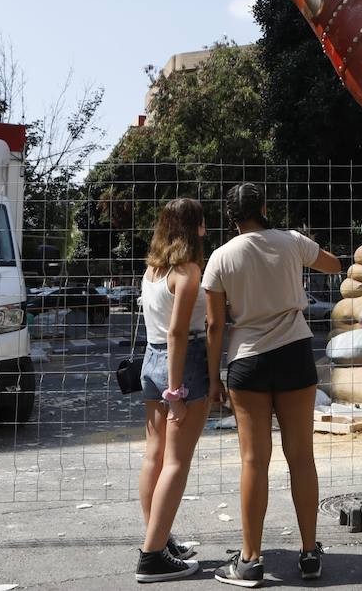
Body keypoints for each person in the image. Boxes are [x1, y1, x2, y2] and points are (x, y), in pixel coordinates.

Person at [204, 183, 342, 587]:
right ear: (264, 207)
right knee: (301, 457)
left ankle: (249, 560)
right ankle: (309, 552)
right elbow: (333, 265)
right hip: (295, 353)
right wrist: (300, 254)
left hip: (247, 361)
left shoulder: (221, 257)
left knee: (253, 460)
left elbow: (215, 325)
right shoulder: (291, 241)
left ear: (231, 217)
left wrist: (214, 378)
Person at [135, 197, 216, 582]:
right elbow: (179, 333)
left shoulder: (152, 271)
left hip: (152, 360)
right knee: (176, 462)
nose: (206, 228)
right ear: (193, 227)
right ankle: (152, 556)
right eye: (201, 222)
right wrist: (177, 390)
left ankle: (158, 537)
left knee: (154, 457)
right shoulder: (187, 272)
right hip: (181, 365)